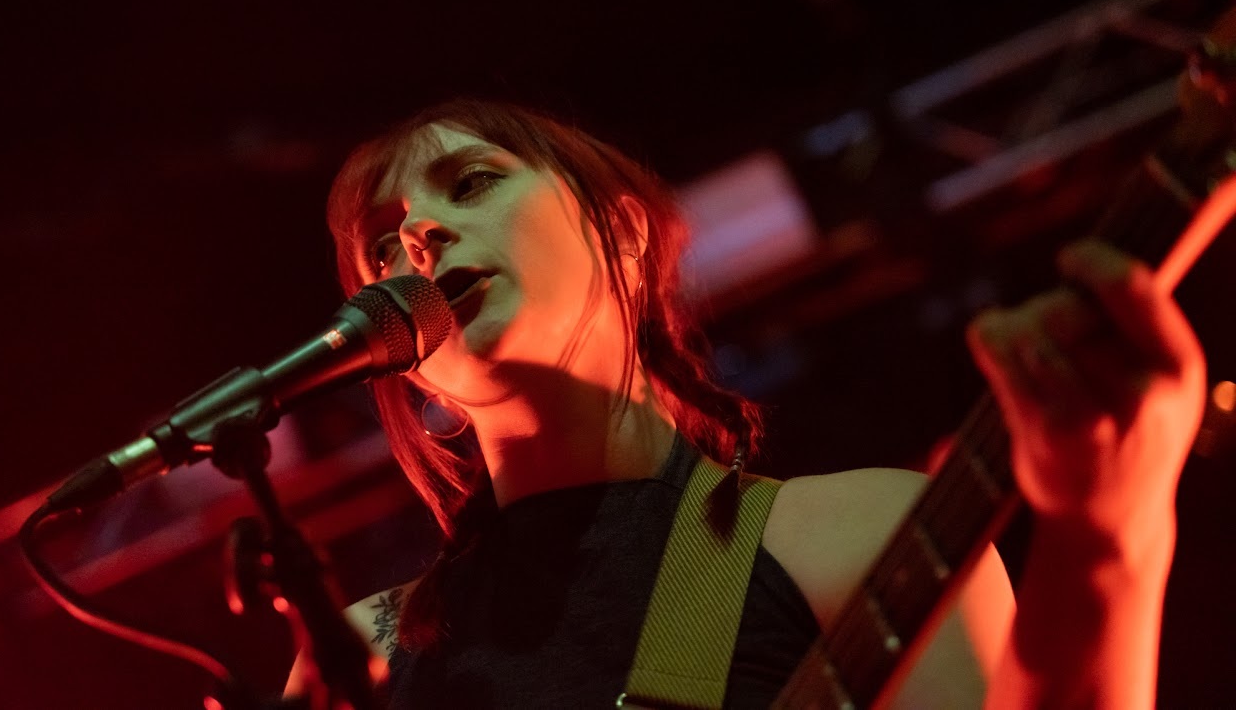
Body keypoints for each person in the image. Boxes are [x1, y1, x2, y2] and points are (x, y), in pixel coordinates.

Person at [286, 97, 1205, 708]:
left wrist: (1106, 538)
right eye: (381, 247)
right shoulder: (357, 657)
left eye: (474, 182)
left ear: (626, 235)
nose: (419, 233)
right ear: (409, 365)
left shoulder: (856, 530)